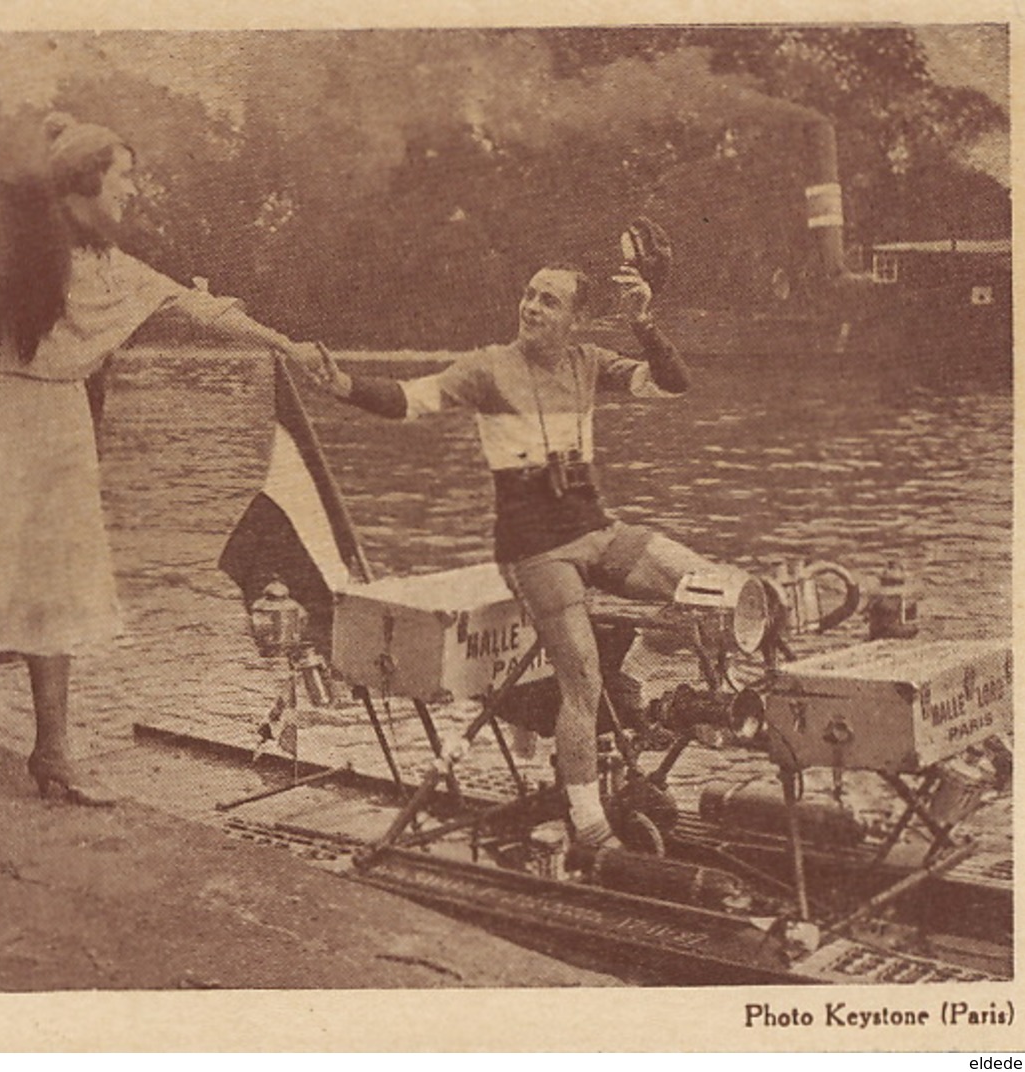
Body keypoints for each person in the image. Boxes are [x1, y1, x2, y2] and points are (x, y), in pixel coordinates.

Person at [0, 113, 322, 837]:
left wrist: (285, 344)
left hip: (65, 426)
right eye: (123, 176)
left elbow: (199, 309)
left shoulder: (109, 265)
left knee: (55, 592)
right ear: (84, 180)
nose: (132, 191)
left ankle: (54, 752)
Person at [311, 261, 733, 849]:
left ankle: (634, 672)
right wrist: (346, 388)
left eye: (549, 302)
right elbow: (410, 399)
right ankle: (588, 824)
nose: (531, 308)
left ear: (577, 319)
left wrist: (643, 323)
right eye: (529, 295)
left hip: (596, 531)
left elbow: (673, 382)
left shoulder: (589, 361)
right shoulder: (489, 368)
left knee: (716, 592)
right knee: (582, 682)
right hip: (535, 548)